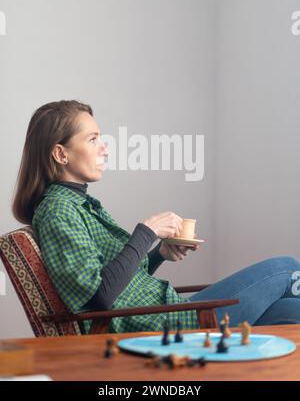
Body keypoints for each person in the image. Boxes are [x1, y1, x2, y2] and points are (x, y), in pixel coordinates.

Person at [12, 100, 300, 333]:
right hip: (166, 324)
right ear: (61, 155)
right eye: (93, 139)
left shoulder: (79, 204)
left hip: (169, 311)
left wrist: (159, 253)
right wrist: (146, 231)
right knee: (286, 268)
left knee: (292, 312)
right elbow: (98, 297)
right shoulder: (58, 211)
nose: (105, 148)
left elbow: (119, 284)